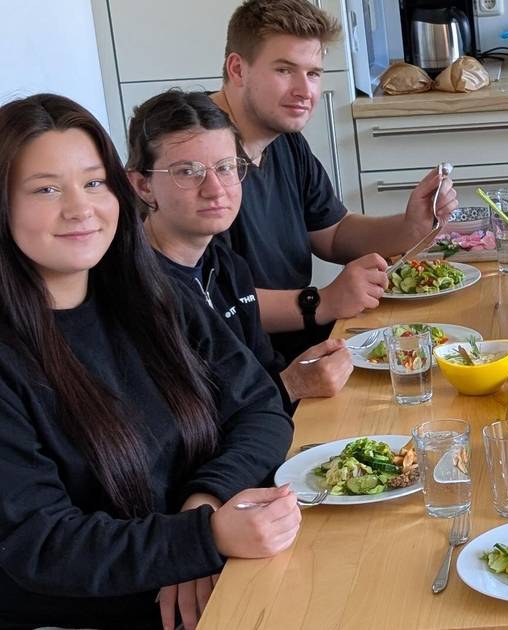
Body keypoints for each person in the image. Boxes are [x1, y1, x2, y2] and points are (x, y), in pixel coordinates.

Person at [0, 94, 302, 630]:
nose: (80, 208)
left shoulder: (152, 295)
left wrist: (202, 509)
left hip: (219, 580)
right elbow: (41, 543)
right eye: (47, 189)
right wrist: (200, 540)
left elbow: (259, 407)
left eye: (93, 183)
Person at [212, 0, 457, 362]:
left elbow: (333, 234)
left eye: (313, 73)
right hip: (238, 373)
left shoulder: (283, 138)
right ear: (238, 69)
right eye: (284, 70)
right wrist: (320, 302)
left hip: (301, 349)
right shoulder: (194, 152)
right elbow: (203, 299)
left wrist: (411, 227)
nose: (304, 91)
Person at [127, 90, 353, 413]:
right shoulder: (138, 292)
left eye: (225, 167)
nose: (215, 190)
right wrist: (291, 384)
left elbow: (262, 372)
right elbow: (192, 430)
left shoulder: (226, 267)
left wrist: (301, 372)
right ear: (143, 186)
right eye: (188, 172)